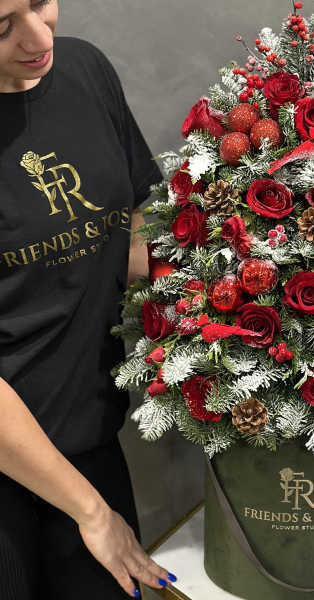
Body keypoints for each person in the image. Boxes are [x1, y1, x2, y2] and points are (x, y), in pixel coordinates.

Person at [0, 1, 177, 598]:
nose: (37, 37)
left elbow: (126, 232)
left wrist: (241, 292)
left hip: (89, 443)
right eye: (1, 27)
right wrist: (93, 514)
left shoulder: (84, 70)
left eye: (38, 2)